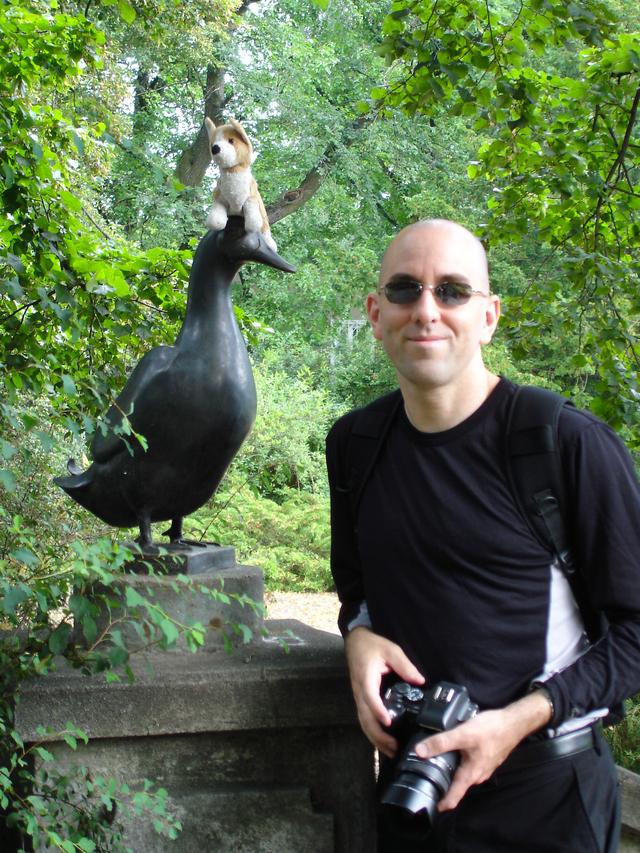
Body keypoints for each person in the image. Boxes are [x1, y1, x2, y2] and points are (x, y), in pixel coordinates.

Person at [325, 219, 640, 852]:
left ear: (489, 315)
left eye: (452, 291)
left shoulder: (565, 444)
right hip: (413, 798)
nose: (426, 311)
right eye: (405, 290)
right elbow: (357, 590)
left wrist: (517, 722)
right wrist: (357, 637)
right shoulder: (355, 445)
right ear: (375, 312)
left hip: (548, 802)